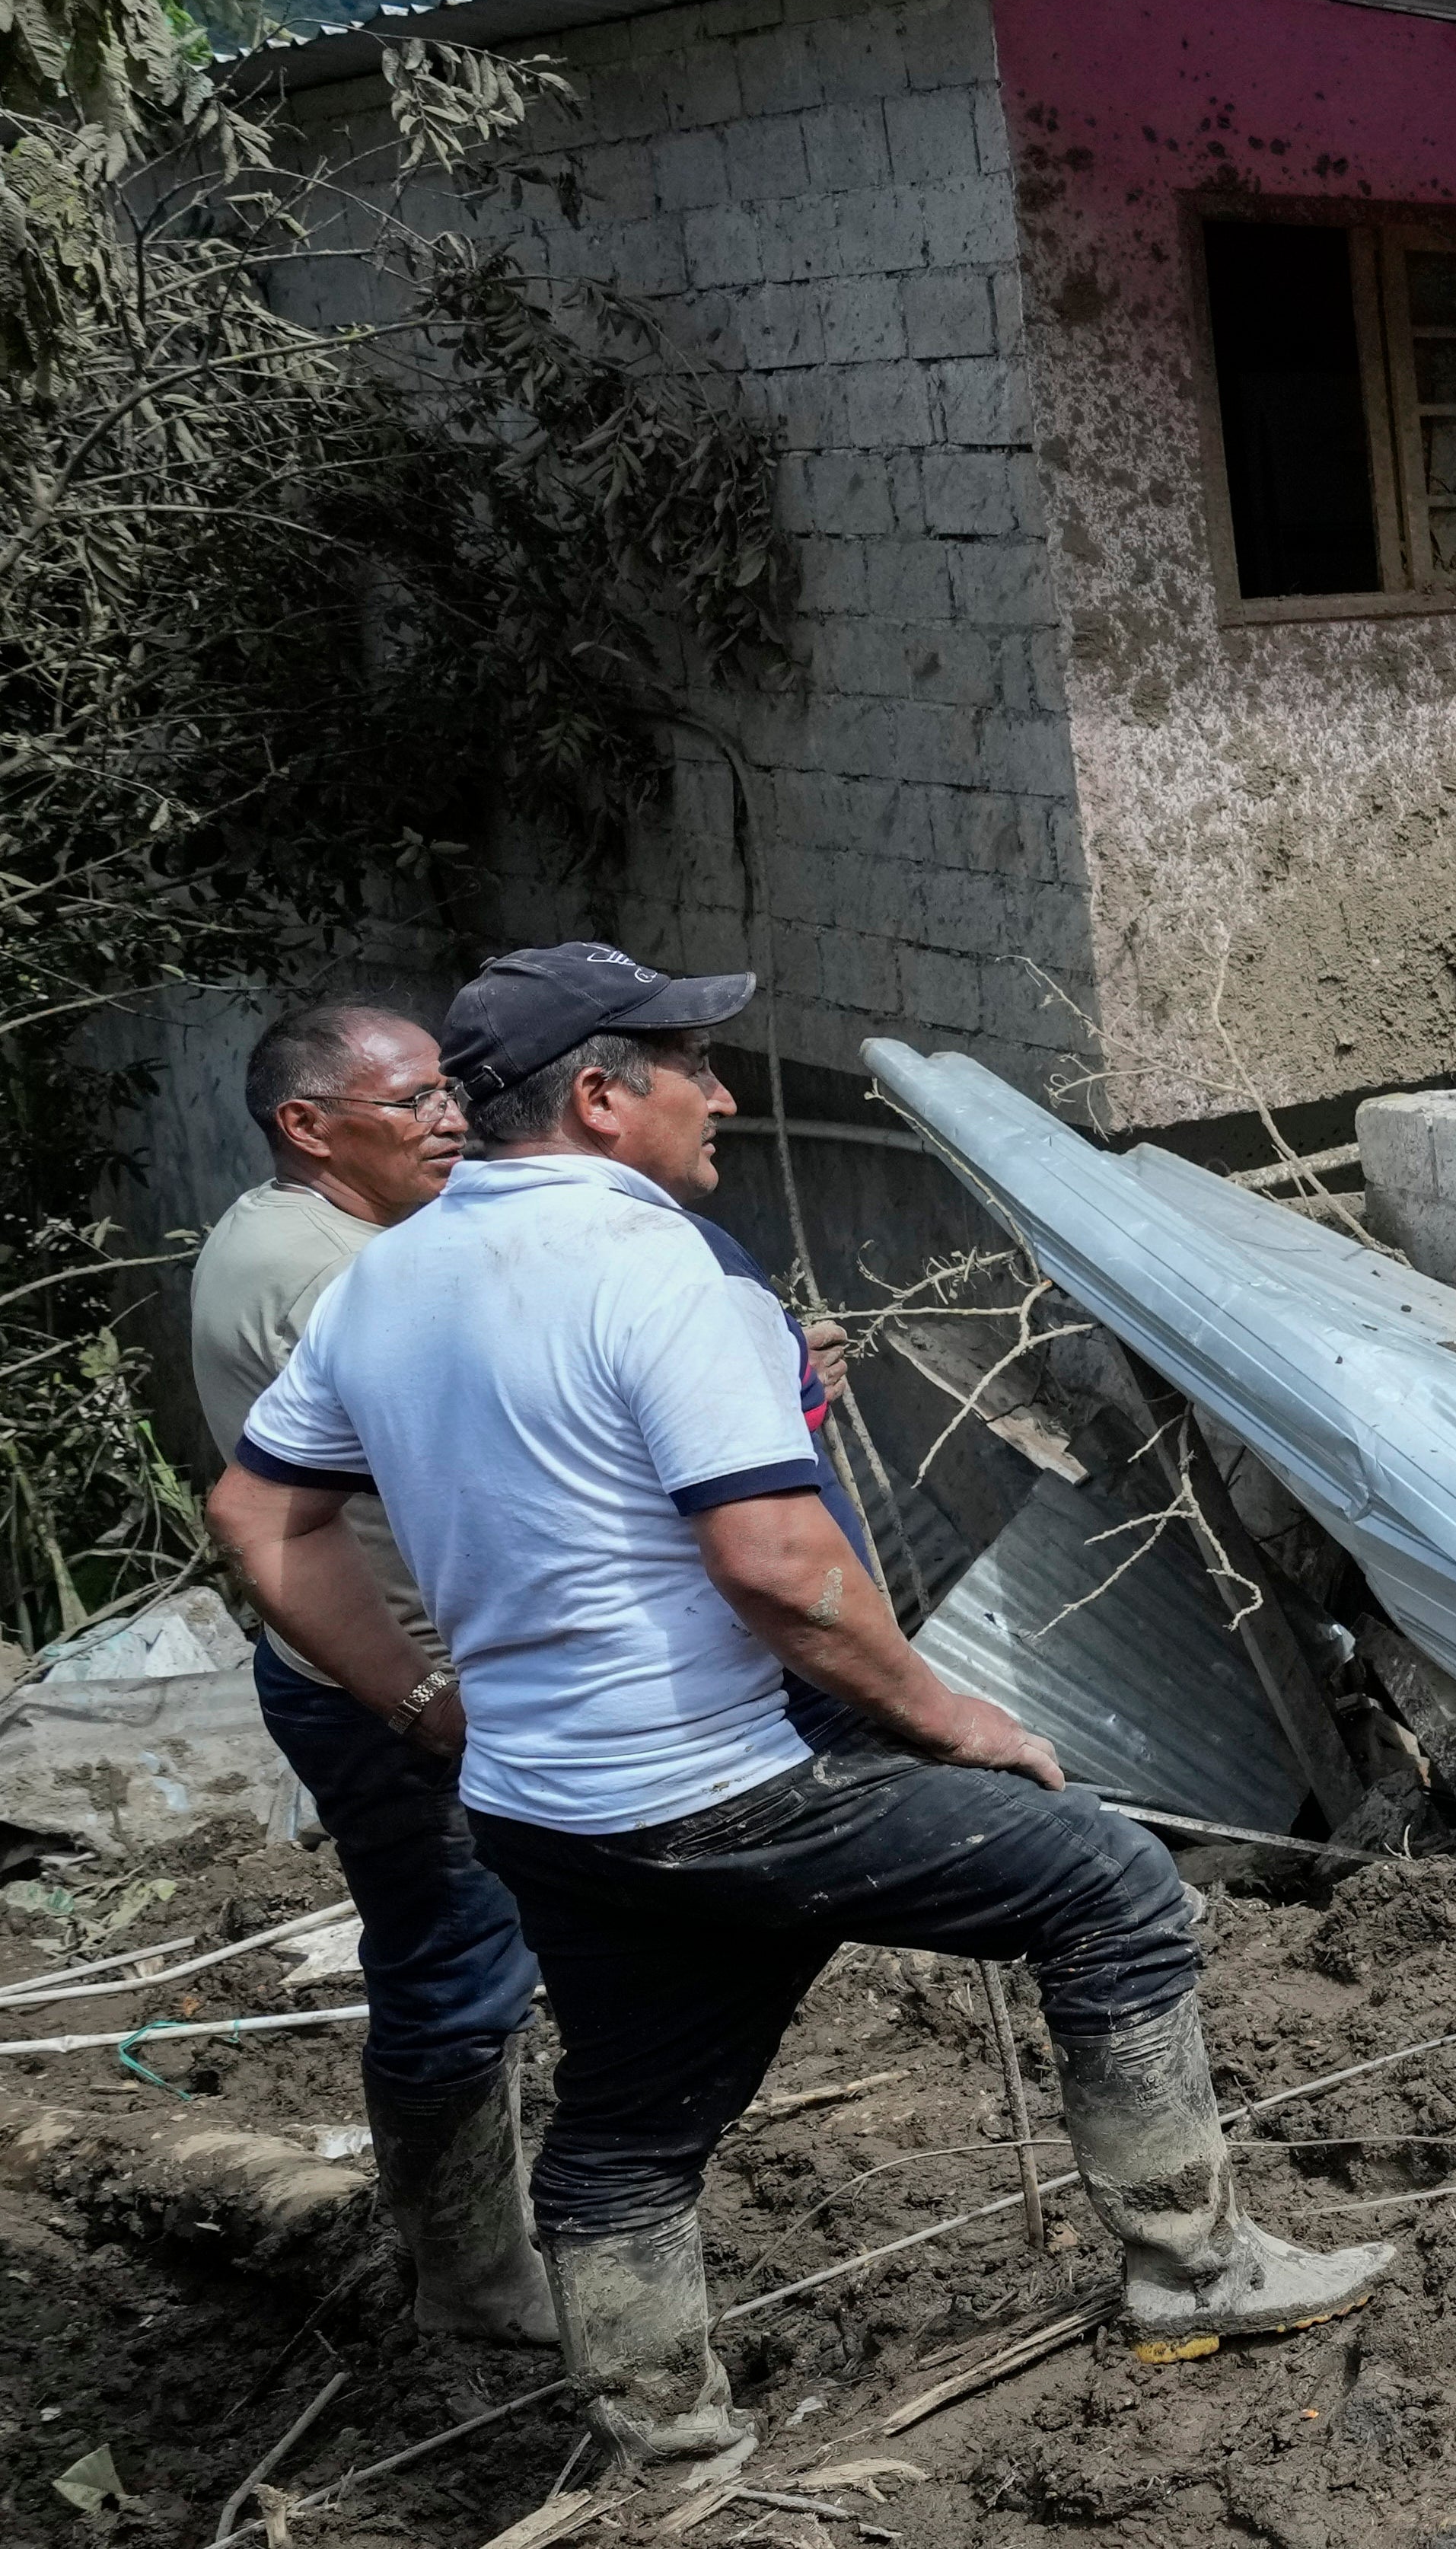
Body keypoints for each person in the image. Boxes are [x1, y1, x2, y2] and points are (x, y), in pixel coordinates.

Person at [208, 943, 1389, 2471]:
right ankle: (1195, 2271)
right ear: (596, 1094)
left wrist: (430, 1701)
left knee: (631, 2121)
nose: (725, 1093)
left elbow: (260, 1513)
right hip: (720, 1782)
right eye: (692, 1062)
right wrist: (949, 1709)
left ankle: (667, 2441)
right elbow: (773, 1565)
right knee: (1111, 1887)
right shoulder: (660, 1271)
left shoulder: (393, 1282)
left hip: (547, 1800)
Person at [190, 1003, 550, 2344]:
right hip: (391, 1678)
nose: (450, 1119)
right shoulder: (340, 1276)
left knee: (460, 1950)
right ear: (310, 1124)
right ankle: (474, 2281)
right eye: (415, 1102)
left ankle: (468, 2240)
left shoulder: (295, 1234)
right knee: (456, 1967)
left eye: (453, 1093)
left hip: (368, 1662)